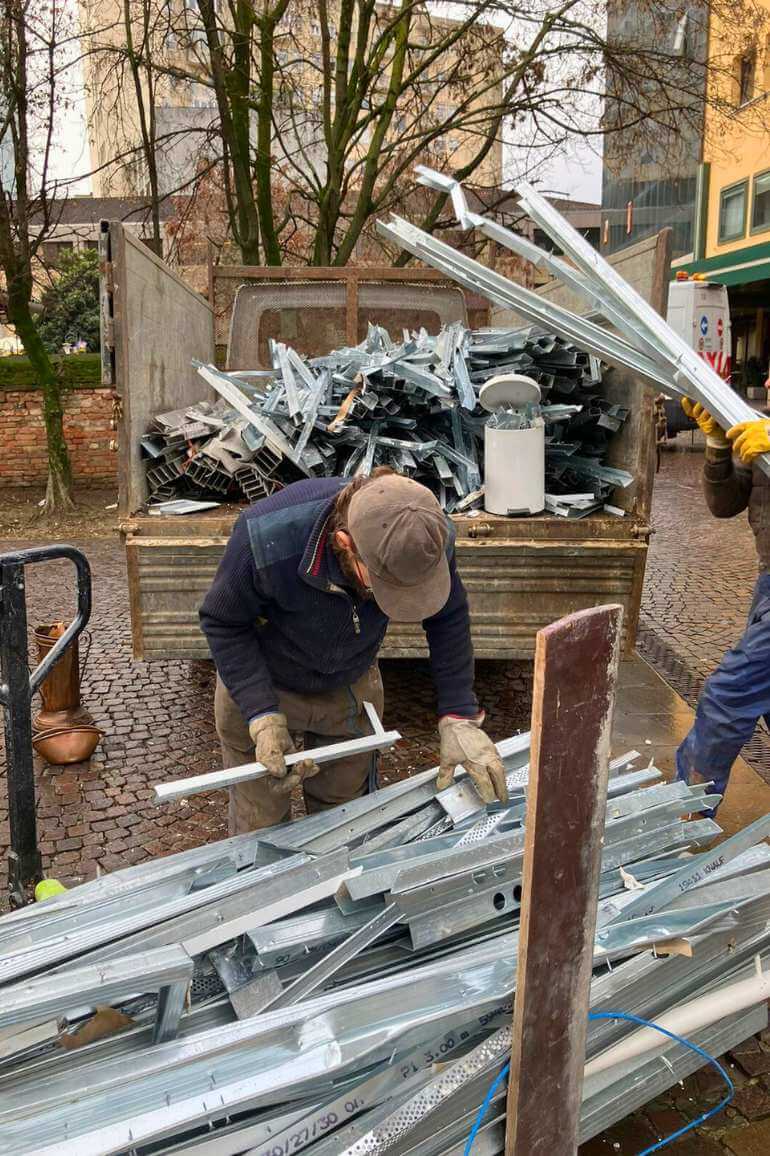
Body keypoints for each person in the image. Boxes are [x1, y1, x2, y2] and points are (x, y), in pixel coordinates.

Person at [199, 467, 508, 833]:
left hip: (349, 683)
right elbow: (222, 621)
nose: (392, 600)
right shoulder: (268, 536)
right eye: (382, 583)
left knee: (345, 824)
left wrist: (458, 714)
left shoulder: (427, 534)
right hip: (263, 679)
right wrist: (261, 713)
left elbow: (448, 614)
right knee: (260, 824)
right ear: (345, 543)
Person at [675, 399, 770, 800]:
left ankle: (684, 819)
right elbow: (725, 503)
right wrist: (716, 446)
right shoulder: (762, 430)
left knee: (728, 696)